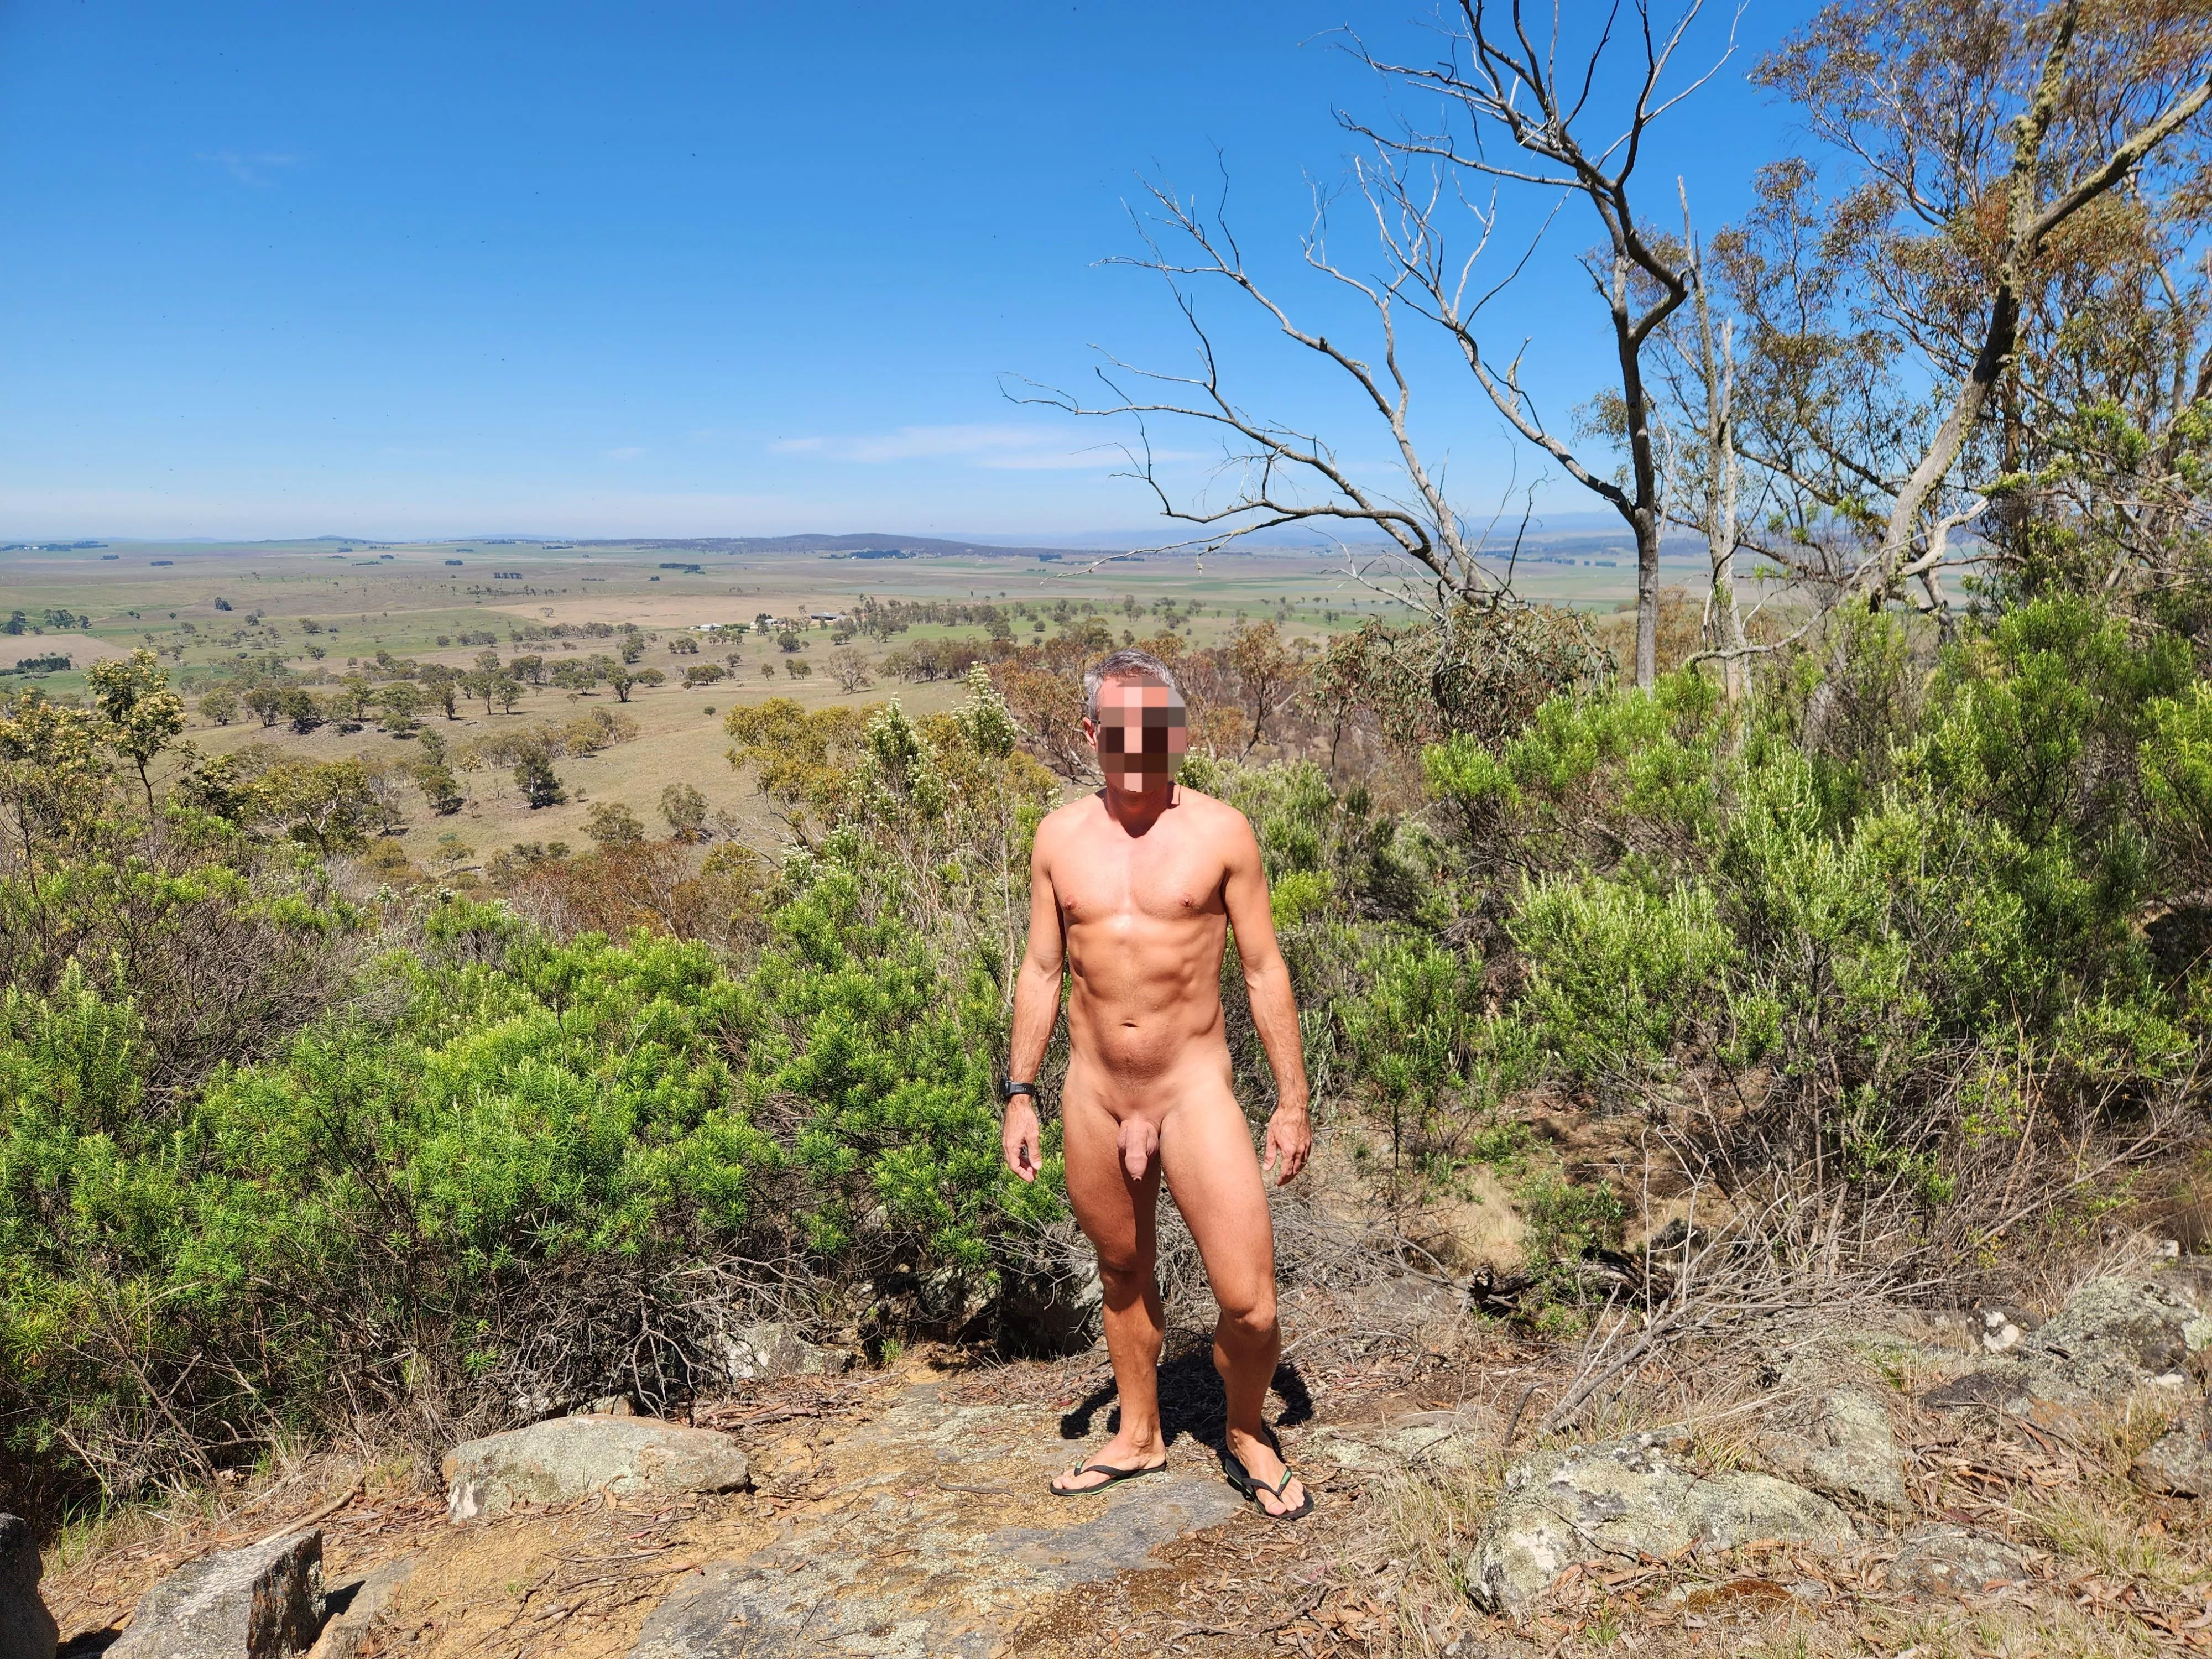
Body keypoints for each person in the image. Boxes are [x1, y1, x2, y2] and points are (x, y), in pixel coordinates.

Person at [1001, 648, 1314, 1519]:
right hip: (1096, 1094)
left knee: (1250, 1306)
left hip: (1192, 1091)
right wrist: (1018, 1091)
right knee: (1122, 1271)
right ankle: (1139, 1435)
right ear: (1091, 733)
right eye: (1122, 732)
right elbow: (1040, 969)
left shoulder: (1222, 832)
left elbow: (1263, 971)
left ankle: (1246, 1431)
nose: (1140, 749)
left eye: (1156, 730)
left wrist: (1291, 1100)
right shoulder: (1058, 838)